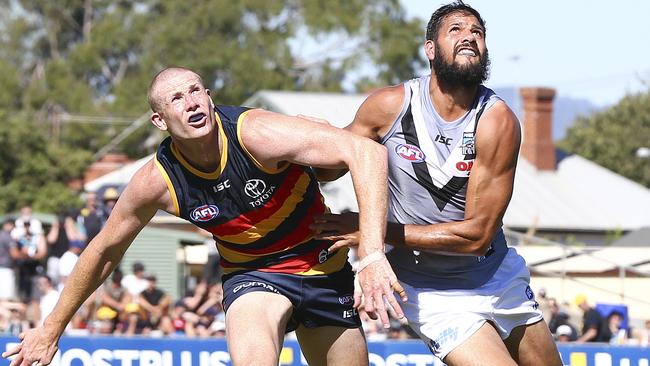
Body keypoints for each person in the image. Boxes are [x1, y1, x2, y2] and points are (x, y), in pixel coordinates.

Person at [3, 66, 401, 366]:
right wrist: (52, 327)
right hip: (254, 274)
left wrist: (370, 255)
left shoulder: (257, 132)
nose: (191, 102)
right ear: (160, 121)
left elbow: (366, 152)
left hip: (324, 267)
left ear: (209, 98)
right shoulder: (155, 181)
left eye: (196, 91)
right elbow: (103, 251)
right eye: (176, 99)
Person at [313, 2, 561, 365]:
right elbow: (327, 168)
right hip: (431, 293)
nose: (469, 37)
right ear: (430, 49)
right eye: (456, 30)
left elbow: (476, 236)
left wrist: (373, 231)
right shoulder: (388, 106)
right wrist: (304, 144)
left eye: (477, 32)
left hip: (495, 275)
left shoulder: (497, 121)